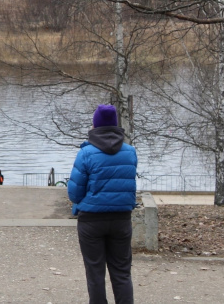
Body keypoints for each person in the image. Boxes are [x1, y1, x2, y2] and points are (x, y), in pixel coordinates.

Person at [67, 104, 137, 304]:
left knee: (95, 272)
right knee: (122, 272)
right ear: (115, 125)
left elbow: (74, 192)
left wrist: (84, 202)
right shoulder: (130, 152)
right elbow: (130, 186)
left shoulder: (86, 153)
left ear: (95, 124)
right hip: (121, 219)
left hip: (91, 221)